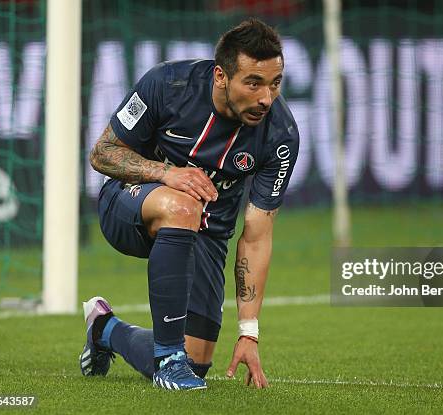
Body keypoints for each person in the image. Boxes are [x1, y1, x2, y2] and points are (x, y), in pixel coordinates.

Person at [79, 18, 299, 391]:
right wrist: (166, 172)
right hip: (129, 204)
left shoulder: (279, 136)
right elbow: (103, 153)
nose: (266, 98)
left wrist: (249, 332)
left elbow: (257, 237)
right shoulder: (166, 85)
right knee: (182, 206)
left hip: (208, 237)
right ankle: (167, 358)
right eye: (253, 83)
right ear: (221, 76)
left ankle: (105, 329)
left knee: (196, 362)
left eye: (275, 83)